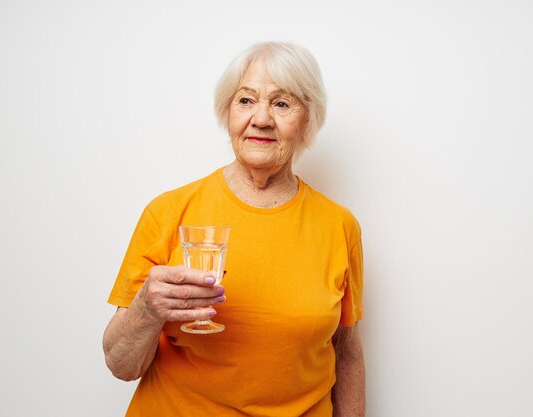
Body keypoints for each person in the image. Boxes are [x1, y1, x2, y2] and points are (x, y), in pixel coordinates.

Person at [103, 41, 365, 417]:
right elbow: (121, 366)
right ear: (227, 112)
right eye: (245, 101)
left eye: (281, 103)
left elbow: (348, 352)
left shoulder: (340, 226)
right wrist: (148, 307)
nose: (261, 119)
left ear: (307, 119)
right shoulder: (167, 212)